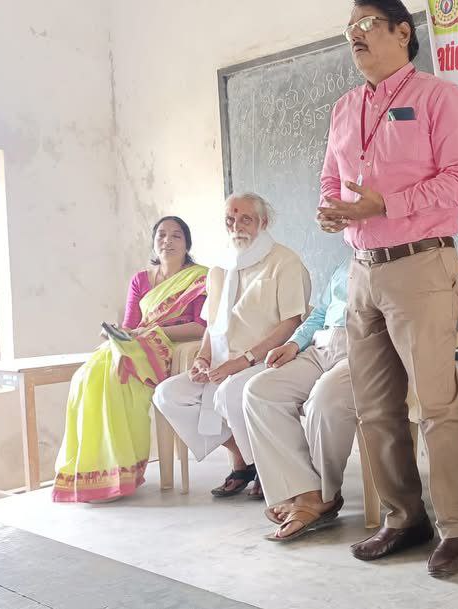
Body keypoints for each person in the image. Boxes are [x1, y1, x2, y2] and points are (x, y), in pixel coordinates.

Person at [316, 0, 458, 577]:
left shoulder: (439, 97)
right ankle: (403, 518)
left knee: (435, 405)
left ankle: (457, 528)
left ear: (402, 32)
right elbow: (331, 179)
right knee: (374, 408)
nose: (354, 36)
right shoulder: (344, 107)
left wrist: (386, 204)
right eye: (349, 29)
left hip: (421, 264)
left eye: (365, 25)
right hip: (361, 270)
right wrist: (331, 209)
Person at [154, 193, 310, 499]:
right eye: (230, 220)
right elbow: (212, 324)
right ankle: (243, 455)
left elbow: (291, 324)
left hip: (266, 361)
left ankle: (267, 467)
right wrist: (202, 358)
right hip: (221, 363)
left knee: (230, 391)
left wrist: (242, 362)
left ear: (264, 222)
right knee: (168, 394)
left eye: (245, 219)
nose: (236, 227)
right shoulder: (220, 267)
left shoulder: (284, 261)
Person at [53, 216, 207, 502]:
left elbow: (201, 327)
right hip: (137, 344)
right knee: (87, 377)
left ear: (187, 244)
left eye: (176, 236)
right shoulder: (140, 279)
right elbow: (130, 325)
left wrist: (151, 333)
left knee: (117, 379)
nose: (168, 241)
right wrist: (116, 333)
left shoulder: (200, 278)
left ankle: (121, 473)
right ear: (154, 242)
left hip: (171, 349)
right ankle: (97, 474)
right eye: (161, 235)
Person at [243, 259, 355, 542]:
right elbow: (320, 313)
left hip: (364, 349)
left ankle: (325, 496)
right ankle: (304, 490)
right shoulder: (344, 264)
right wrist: (293, 343)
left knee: (324, 399)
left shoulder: (397, 260)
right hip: (322, 346)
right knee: (260, 391)